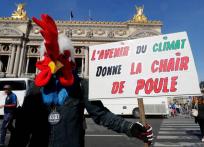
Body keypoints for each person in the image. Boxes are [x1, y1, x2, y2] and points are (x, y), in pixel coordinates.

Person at [8, 14, 153, 147]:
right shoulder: (35, 88)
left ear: (69, 59)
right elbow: (22, 130)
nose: (55, 63)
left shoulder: (80, 86)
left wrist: (131, 128)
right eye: (50, 57)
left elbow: (102, 115)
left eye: (61, 57)